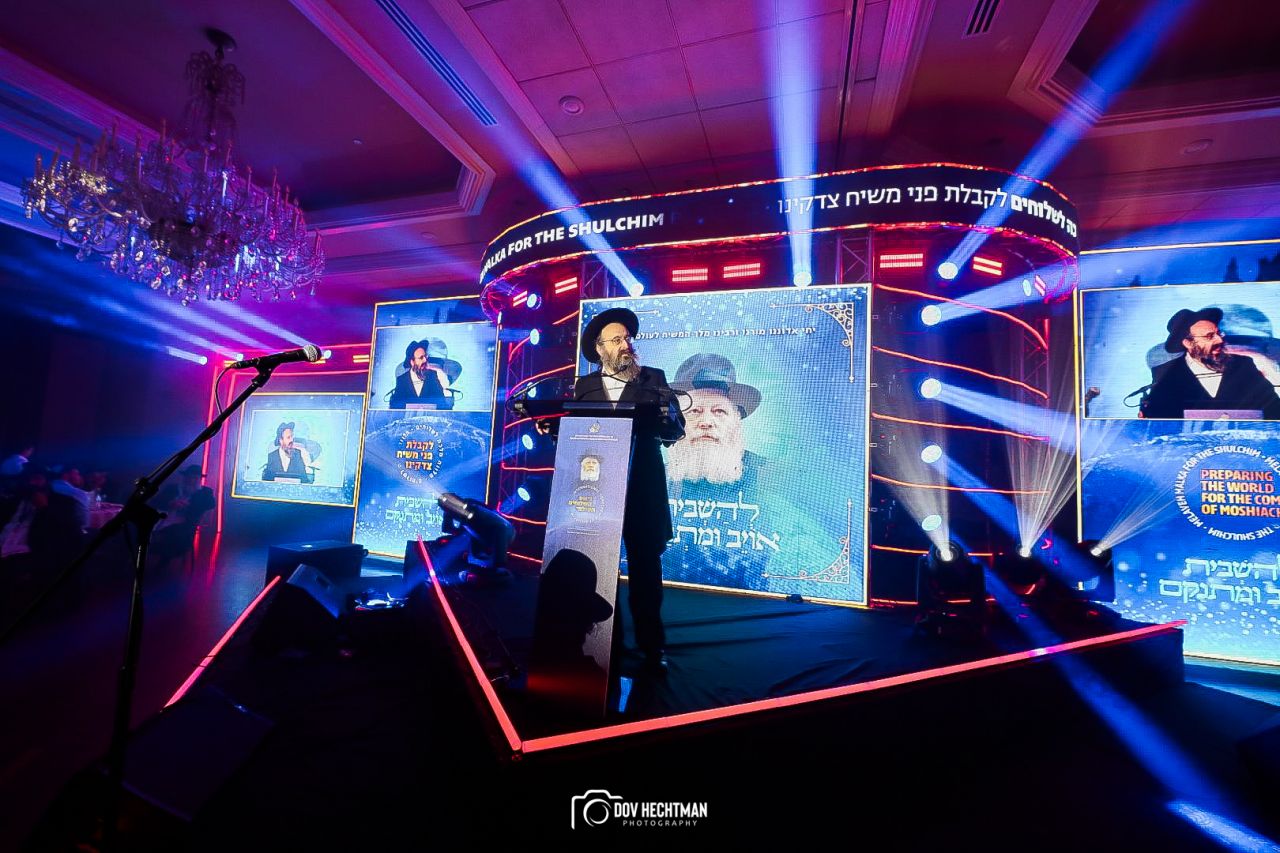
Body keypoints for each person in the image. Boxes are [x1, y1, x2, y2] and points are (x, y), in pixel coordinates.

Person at [574, 307, 685, 673]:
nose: (626, 345)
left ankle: (652, 647)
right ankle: (609, 643)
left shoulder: (653, 378)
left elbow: (675, 431)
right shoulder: (585, 386)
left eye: (628, 339)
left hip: (643, 491)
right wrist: (554, 431)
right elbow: (575, 435)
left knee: (646, 571)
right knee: (599, 570)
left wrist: (668, 417)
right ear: (600, 348)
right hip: (597, 490)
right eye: (617, 339)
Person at [665, 353, 777, 591]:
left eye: (719, 411)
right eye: (695, 411)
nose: (706, 422)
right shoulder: (654, 479)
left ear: (735, 422)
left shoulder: (767, 480)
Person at [1143, 307, 1280, 419]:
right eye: (1209, 336)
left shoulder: (1244, 365)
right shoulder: (1167, 373)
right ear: (1188, 343)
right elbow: (1158, 419)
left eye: (1219, 334)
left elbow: (1273, 409)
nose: (1219, 340)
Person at [152, 465, 216, 563]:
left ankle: (161, 563)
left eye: (195, 478)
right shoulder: (172, 488)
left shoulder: (205, 492)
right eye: (189, 477)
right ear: (185, 477)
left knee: (173, 538)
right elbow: (156, 502)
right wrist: (170, 503)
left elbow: (210, 504)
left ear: (199, 479)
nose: (191, 480)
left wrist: (190, 504)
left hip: (184, 525)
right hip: (161, 519)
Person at [389, 339, 459, 410]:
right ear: (412, 362)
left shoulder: (433, 376)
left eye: (425, 356)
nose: (425, 360)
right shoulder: (402, 380)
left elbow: (441, 404)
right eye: (421, 358)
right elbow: (395, 406)